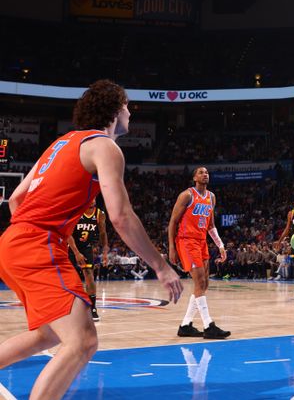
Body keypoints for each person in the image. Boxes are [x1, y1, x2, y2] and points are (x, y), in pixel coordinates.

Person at [0, 79, 182, 400]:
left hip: (12, 244)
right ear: (114, 110)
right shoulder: (105, 146)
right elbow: (121, 217)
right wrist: (161, 267)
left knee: (47, 335)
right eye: (127, 106)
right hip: (37, 245)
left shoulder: (62, 143)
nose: (130, 113)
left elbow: (15, 200)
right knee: (83, 341)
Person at [168, 167, 230, 339]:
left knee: (204, 284)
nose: (205, 174)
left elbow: (210, 225)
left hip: (201, 241)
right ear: (195, 177)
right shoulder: (187, 195)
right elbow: (173, 221)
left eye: (207, 172)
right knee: (200, 281)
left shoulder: (211, 197)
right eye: (201, 172)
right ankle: (208, 325)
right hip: (187, 241)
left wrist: (221, 246)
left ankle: (186, 325)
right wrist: (172, 248)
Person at [67, 198, 109, 322]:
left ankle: (92, 308)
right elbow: (68, 234)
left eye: (94, 198)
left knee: (89, 275)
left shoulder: (99, 214)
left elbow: (103, 233)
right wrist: (76, 253)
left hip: (87, 248)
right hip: (71, 246)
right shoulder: (76, 212)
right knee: (69, 278)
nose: (92, 200)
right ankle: (67, 307)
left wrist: (105, 249)